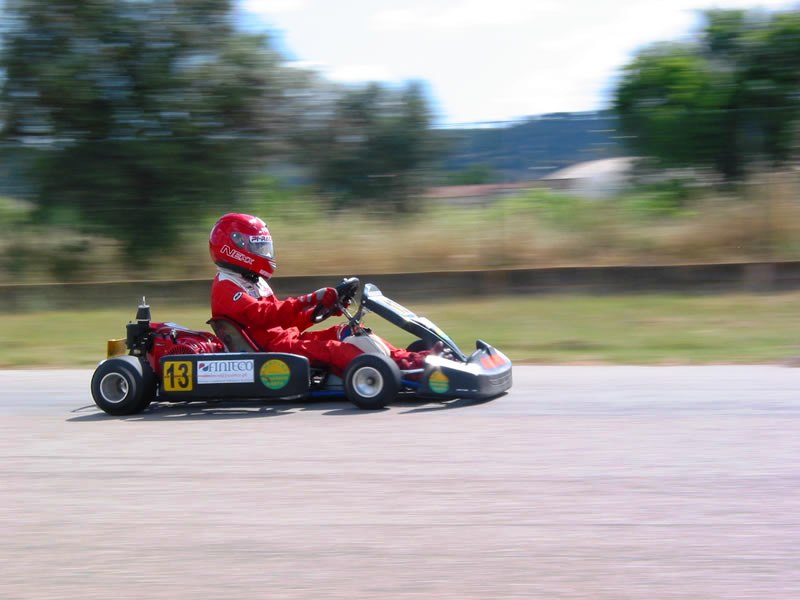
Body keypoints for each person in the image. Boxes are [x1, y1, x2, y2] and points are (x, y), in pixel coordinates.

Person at [209, 213, 428, 375]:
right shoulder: (226, 286)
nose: (262, 252)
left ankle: (409, 358)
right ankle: (399, 370)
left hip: (288, 340)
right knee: (335, 349)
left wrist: (317, 312)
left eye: (262, 247)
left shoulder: (252, 282)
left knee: (348, 331)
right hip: (273, 351)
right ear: (233, 247)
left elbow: (283, 322)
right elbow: (265, 315)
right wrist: (310, 299)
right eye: (256, 246)